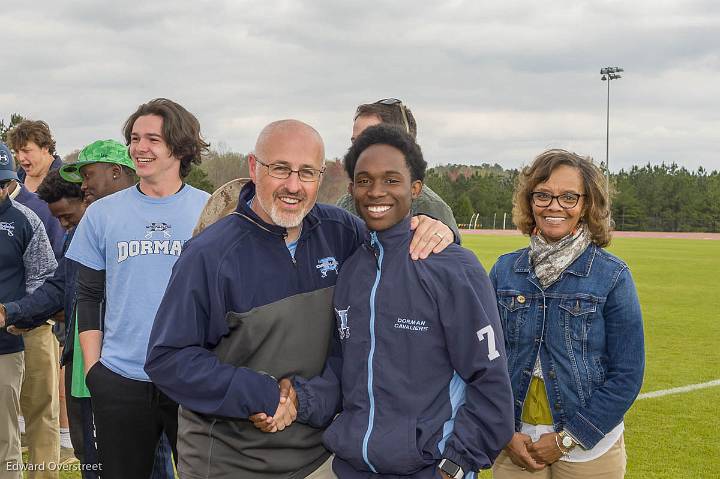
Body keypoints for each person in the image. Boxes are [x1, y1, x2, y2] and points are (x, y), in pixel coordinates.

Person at [145, 119, 454, 479]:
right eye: (280, 169)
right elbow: (168, 359)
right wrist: (260, 393)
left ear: (321, 177)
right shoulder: (208, 255)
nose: (293, 186)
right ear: (253, 168)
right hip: (231, 463)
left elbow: (399, 264)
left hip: (322, 458)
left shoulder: (343, 233)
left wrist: (438, 230)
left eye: (307, 173)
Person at [250, 124, 514, 478]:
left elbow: (490, 381)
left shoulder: (453, 268)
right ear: (351, 188)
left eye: (391, 180)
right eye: (364, 180)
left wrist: (456, 464)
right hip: (352, 467)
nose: (376, 192)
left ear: (415, 188)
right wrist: (298, 398)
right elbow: (346, 371)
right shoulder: (352, 270)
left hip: (428, 468)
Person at [65, 100, 211, 479]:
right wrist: (95, 370)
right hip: (121, 379)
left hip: (191, 378)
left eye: (152, 139)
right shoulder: (103, 213)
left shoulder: (210, 212)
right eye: (134, 138)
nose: (139, 148)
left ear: (179, 147)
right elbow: (89, 295)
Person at [489, 149, 644, 478]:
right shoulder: (505, 270)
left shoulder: (612, 276)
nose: (554, 206)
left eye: (568, 197)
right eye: (543, 195)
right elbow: (485, 360)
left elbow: (627, 374)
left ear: (587, 204)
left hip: (588, 448)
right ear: (530, 201)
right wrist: (504, 431)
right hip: (516, 443)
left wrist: (567, 439)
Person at [0, 144, 57, 479]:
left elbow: (45, 275)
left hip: (28, 329)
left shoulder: (26, 218)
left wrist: (21, 314)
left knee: (39, 412)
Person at [335, 98, 460, 241]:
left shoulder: (431, 208)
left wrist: (445, 235)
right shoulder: (346, 204)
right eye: (355, 142)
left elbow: (448, 259)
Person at [7, 120, 63, 193]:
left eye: (26, 151)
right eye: (17, 152)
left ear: (45, 148)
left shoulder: (69, 180)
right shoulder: (13, 180)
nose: (20, 158)